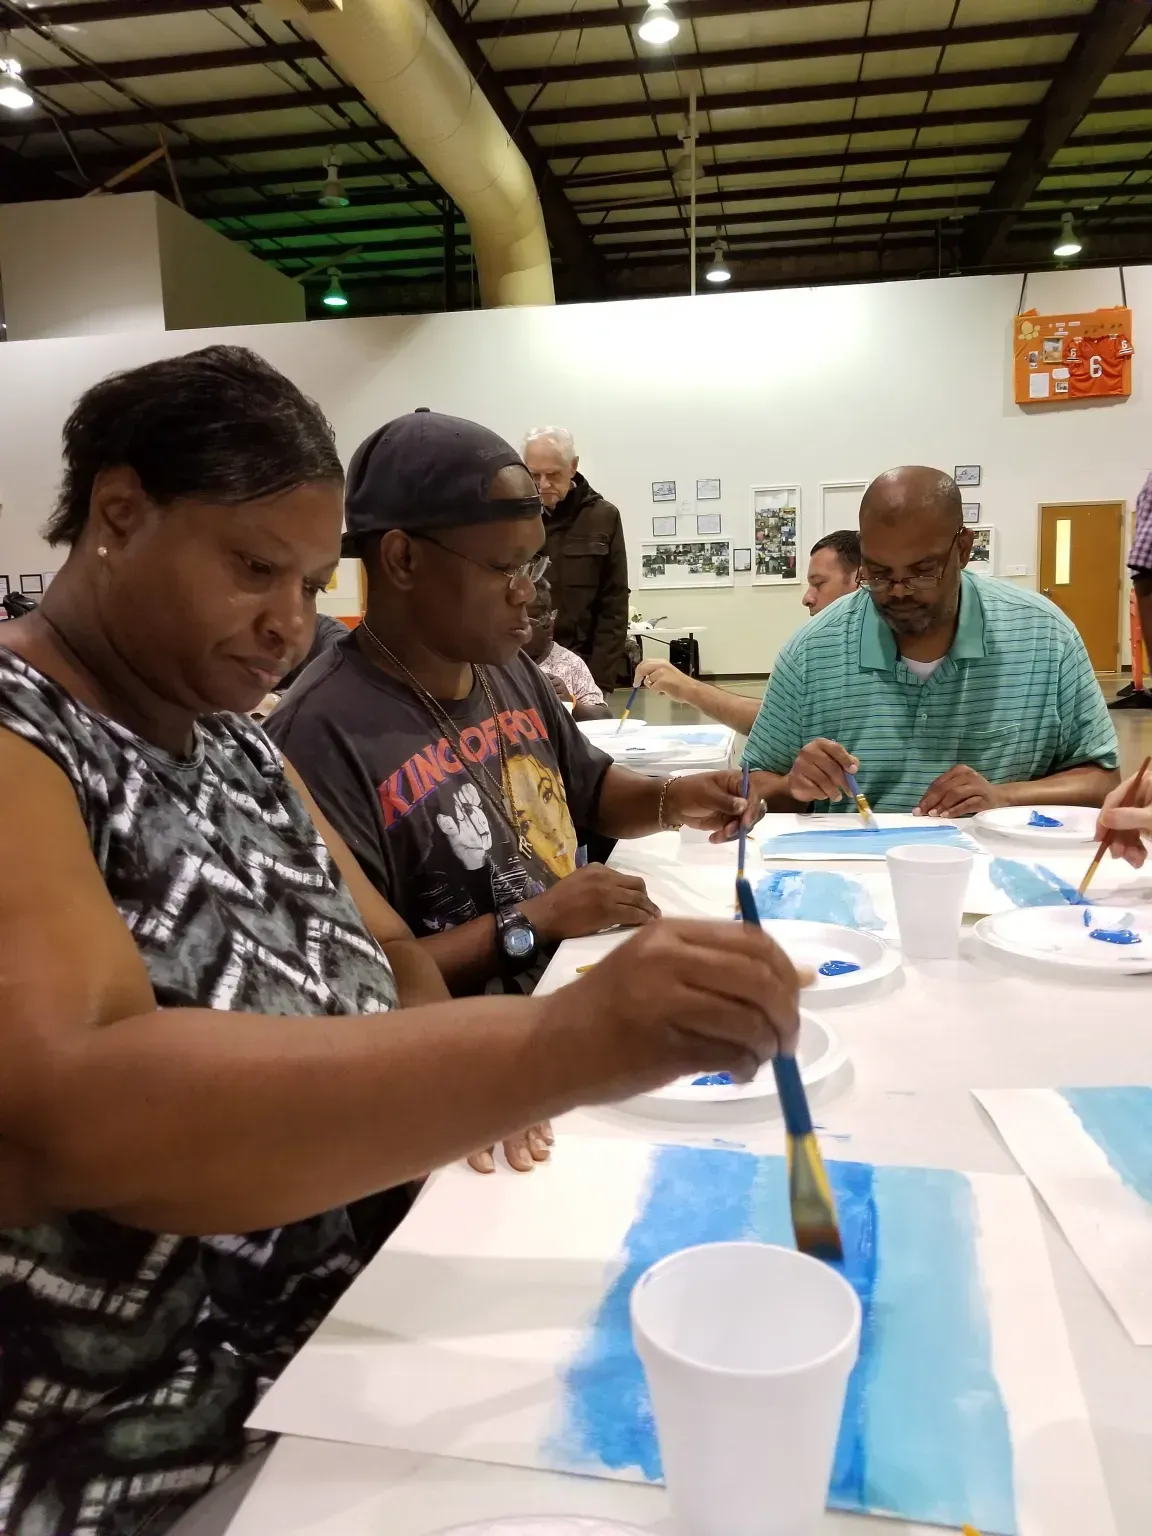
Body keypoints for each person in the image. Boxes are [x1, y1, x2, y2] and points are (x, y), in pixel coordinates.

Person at [0, 348, 803, 1536]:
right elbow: (73, 1106)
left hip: (343, 1344)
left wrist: (471, 1070)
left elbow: (391, 951)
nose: (290, 624)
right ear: (119, 514)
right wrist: (555, 1046)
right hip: (148, 1444)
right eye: (254, 570)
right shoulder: (25, 741)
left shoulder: (232, 742)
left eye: (312, 579)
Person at [269, 411, 756, 998]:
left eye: (532, 564)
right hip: (469, 1054)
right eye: (503, 567)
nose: (526, 591)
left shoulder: (506, 667)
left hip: (572, 989)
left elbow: (590, 789)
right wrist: (538, 919)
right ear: (402, 559)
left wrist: (677, 798)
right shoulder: (317, 737)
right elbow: (365, 977)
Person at [743, 466, 1120, 816]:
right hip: (856, 877)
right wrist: (793, 787)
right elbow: (751, 786)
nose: (898, 591)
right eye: (878, 573)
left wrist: (1006, 796)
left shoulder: (1044, 635)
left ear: (963, 549)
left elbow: (1103, 781)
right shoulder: (812, 650)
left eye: (923, 572)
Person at [633, 530, 862, 735]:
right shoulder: (820, 652)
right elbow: (779, 718)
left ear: (860, 579)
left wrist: (690, 689)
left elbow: (774, 723)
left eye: (819, 584)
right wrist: (688, 689)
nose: (807, 598)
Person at [522, 425, 629, 691]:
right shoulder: (516, 518)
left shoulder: (602, 517)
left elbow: (613, 605)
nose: (543, 484)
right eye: (534, 475)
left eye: (553, 474)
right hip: (522, 666)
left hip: (582, 667)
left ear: (573, 466)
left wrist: (598, 683)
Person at [524, 575, 611, 721]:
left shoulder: (568, 663)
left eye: (549, 613)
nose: (549, 623)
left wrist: (572, 703)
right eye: (538, 616)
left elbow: (605, 716)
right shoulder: (495, 667)